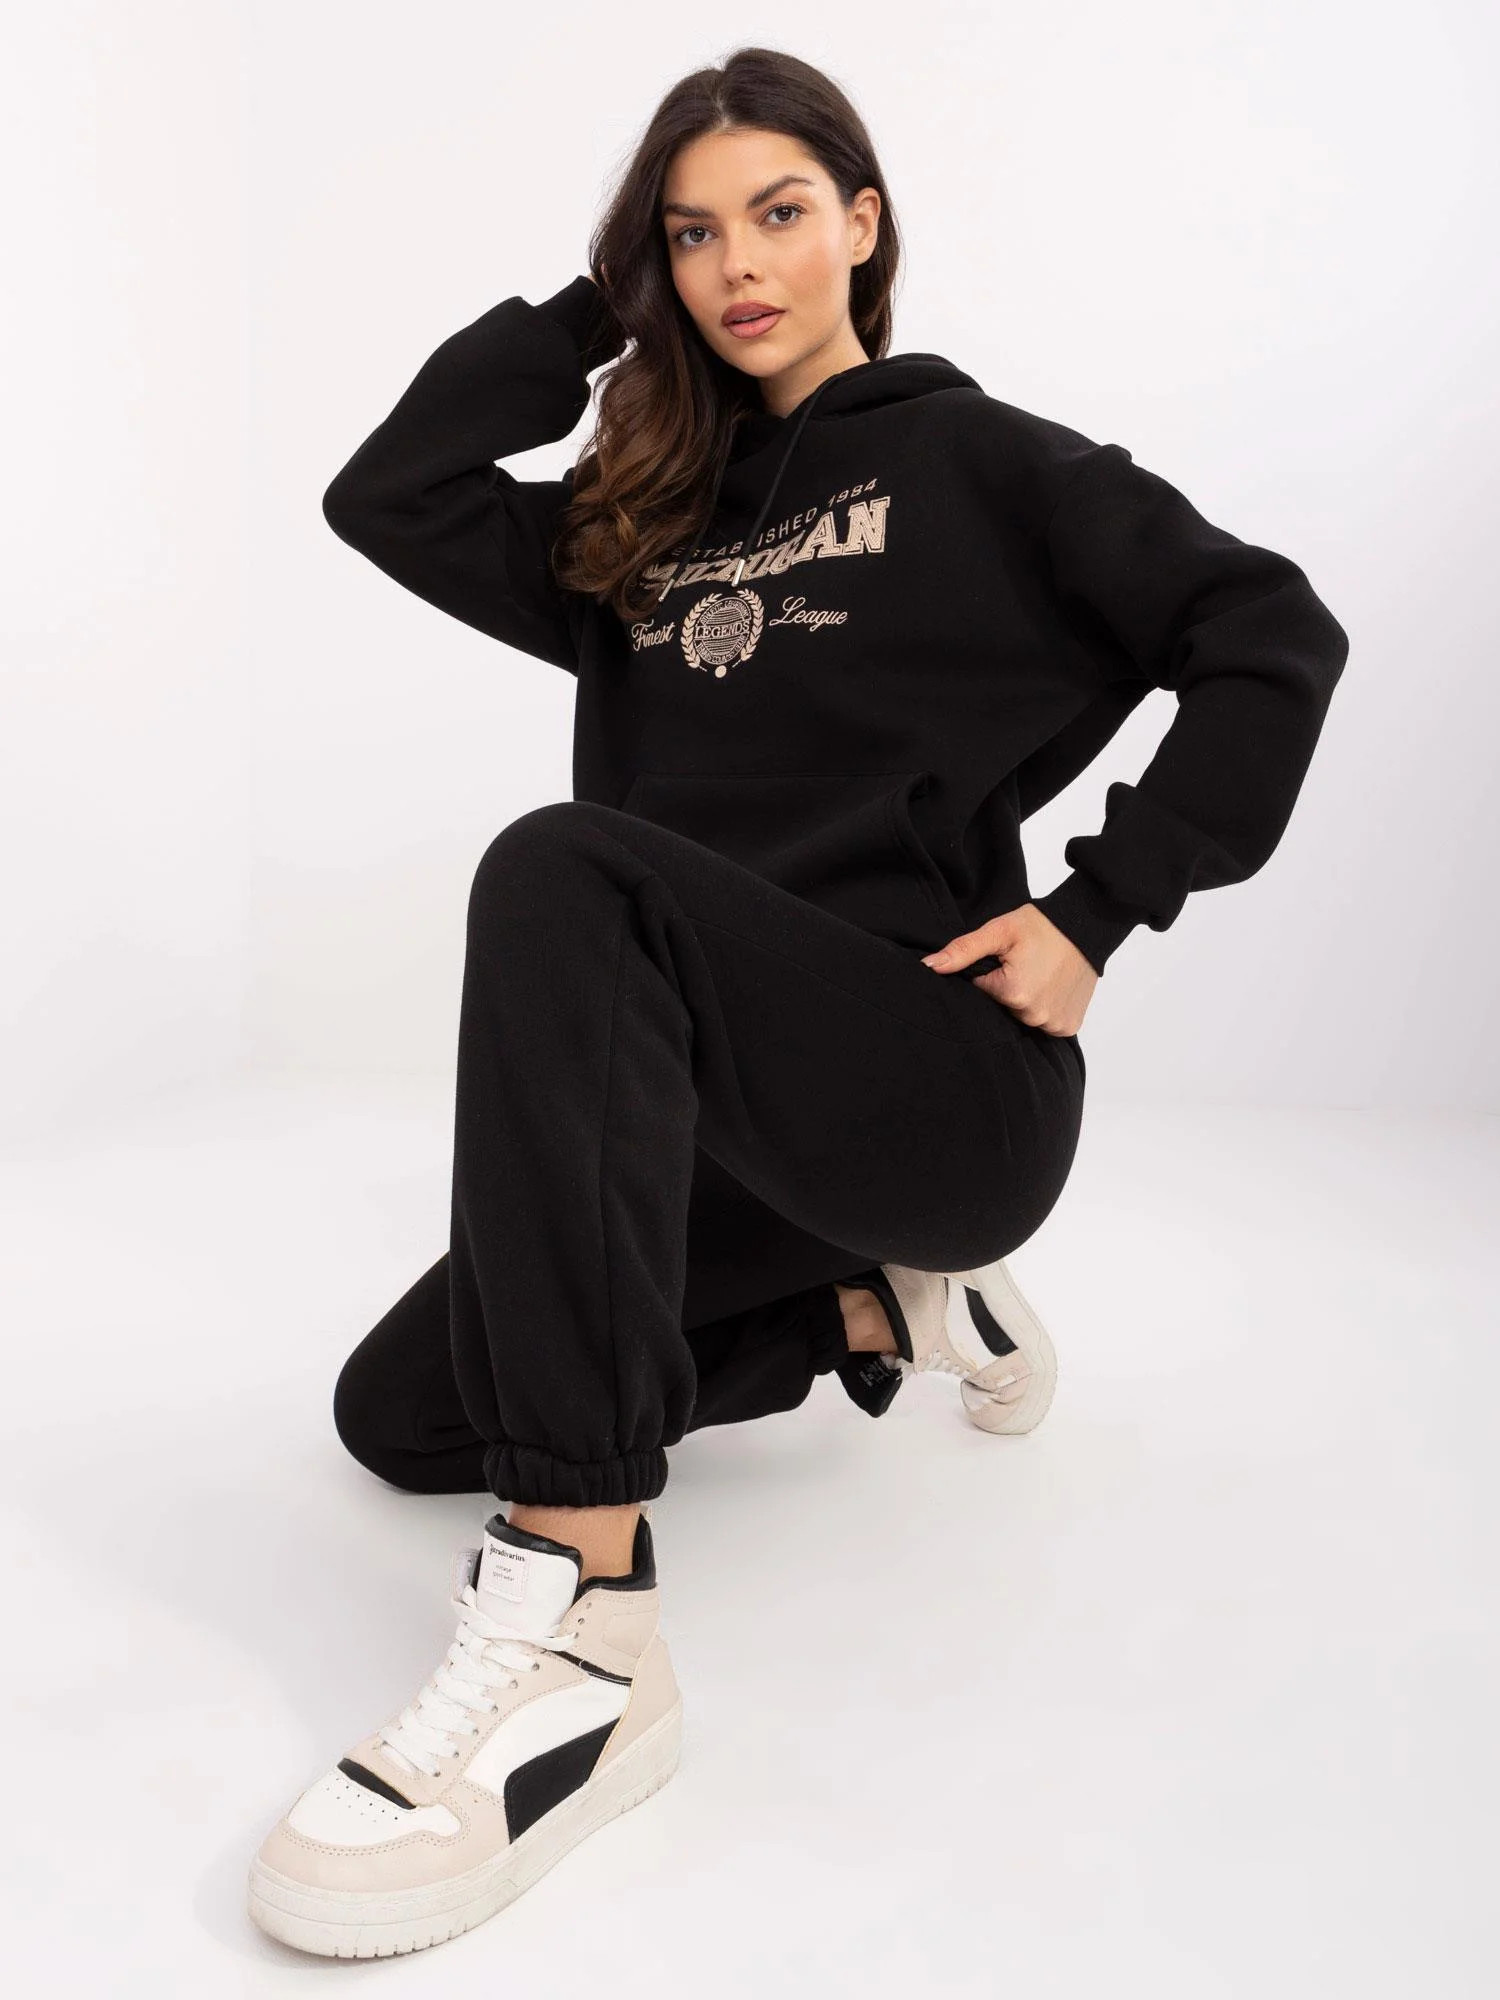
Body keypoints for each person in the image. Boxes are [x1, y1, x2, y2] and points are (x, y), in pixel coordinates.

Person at [247, 46, 1349, 1958]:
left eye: (776, 213)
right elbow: (388, 492)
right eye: (691, 236)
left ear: (862, 224)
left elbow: (1270, 631)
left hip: (938, 1082)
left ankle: (583, 1636)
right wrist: (594, 314)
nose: (738, 264)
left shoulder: (984, 464)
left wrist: (1100, 911)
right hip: (715, 1128)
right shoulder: (640, 525)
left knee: (561, 868)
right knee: (403, 1411)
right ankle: (871, 1310)